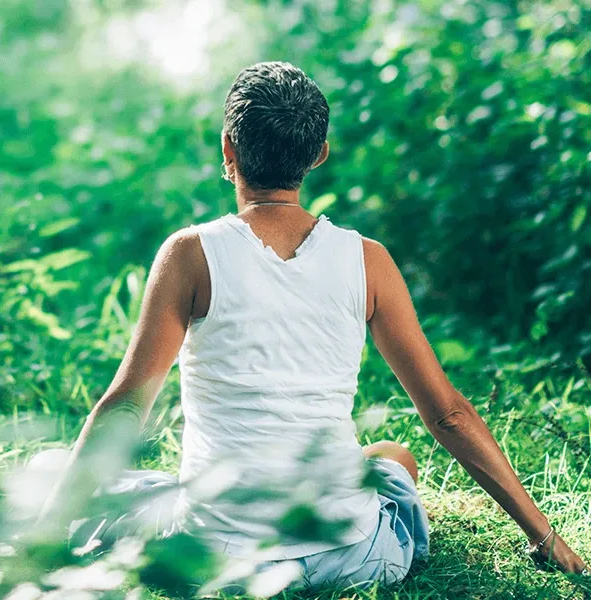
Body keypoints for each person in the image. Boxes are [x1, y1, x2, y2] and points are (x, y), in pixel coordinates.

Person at [34, 61, 588, 592]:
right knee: (395, 458)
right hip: (349, 557)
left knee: (61, 471)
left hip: (216, 554)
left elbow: (128, 407)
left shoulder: (189, 254)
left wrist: (45, 535)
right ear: (319, 153)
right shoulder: (369, 261)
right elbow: (447, 414)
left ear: (228, 149)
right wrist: (545, 535)